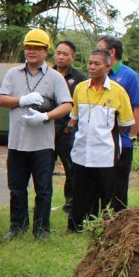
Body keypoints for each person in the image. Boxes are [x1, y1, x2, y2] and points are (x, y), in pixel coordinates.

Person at [0, 29, 72, 240]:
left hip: (42, 144)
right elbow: (1, 99)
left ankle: (41, 229)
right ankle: (17, 226)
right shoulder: (13, 74)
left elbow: (67, 105)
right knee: (17, 188)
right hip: (17, 142)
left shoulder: (55, 77)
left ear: (45, 51)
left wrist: (46, 116)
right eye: (28, 47)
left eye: (37, 48)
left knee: (43, 190)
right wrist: (22, 100)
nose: (32, 51)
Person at [66, 48, 135, 232]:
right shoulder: (80, 88)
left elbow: (125, 124)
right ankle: (75, 226)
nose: (91, 67)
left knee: (106, 193)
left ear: (107, 66)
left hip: (105, 153)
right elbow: (74, 118)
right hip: (82, 151)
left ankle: (105, 229)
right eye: (90, 63)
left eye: (97, 64)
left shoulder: (118, 92)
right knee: (80, 192)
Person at [96, 35, 139, 210]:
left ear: (112, 52)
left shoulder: (129, 76)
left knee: (118, 185)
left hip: (121, 140)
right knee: (100, 182)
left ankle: (118, 218)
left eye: (99, 49)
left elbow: (137, 107)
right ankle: (98, 218)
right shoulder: (99, 74)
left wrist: (131, 136)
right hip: (100, 139)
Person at [52, 40, 87, 213]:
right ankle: (42, 204)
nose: (60, 57)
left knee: (71, 169)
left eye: (65, 54)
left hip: (68, 131)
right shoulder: (47, 74)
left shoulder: (80, 79)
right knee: (42, 170)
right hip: (46, 129)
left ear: (73, 57)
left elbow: (81, 106)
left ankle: (71, 205)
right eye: (58, 53)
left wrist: (71, 126)